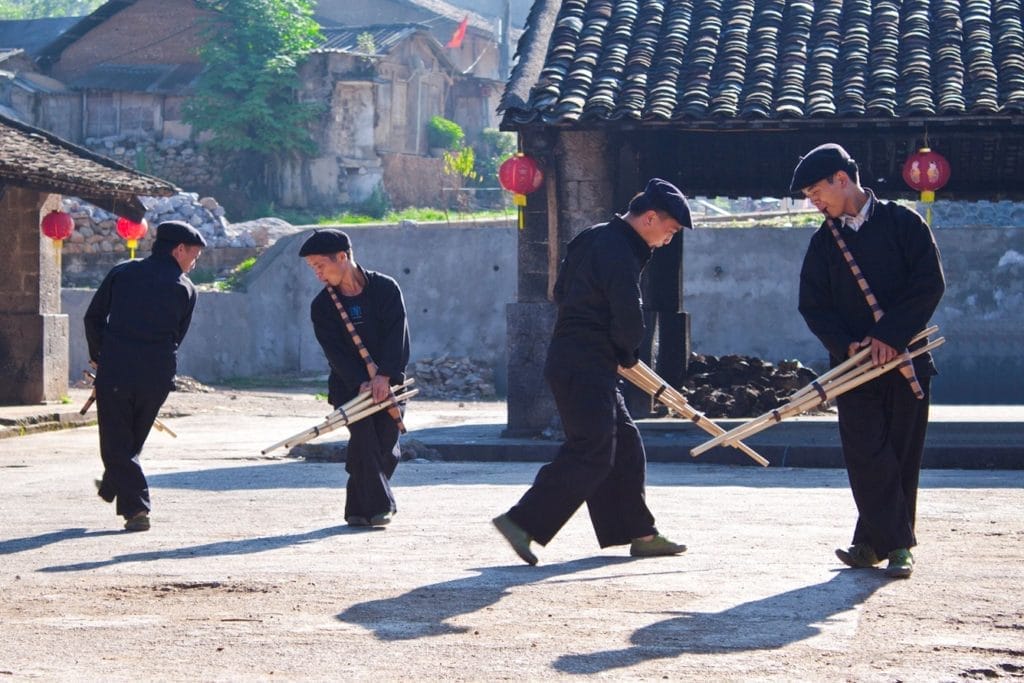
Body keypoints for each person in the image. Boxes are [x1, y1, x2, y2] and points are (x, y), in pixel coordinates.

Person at [493, 178, 692, 565]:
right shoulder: (620, 250)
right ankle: (523, 522)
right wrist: (627, 350)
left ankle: (640, 532)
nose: (667, 241)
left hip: (581, 359)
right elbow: (628, 313)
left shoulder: (595, 237)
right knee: (593, 450)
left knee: (625, 444)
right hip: (585, 363)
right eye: (669, 232)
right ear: (650, 218)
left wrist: (614, 350)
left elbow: (560, 292)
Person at [791, 143, 945, 578]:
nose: (813, 201)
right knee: (865, 454)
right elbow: (813, 306)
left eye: (815, 190)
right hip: (853, 368)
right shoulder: (824, 243)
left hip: (909, 360)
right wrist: (849, 345)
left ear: (842, 179)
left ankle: (875, 545)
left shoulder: (904, 223)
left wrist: (890, 336)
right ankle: (895, 545)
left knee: (900, 454)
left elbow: (929, 284)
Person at [84, 220, 206, 531]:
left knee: (116, 443)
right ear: (178, 249)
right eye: (194, 256)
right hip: (157, 375)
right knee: (131, 440)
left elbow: (93, 317)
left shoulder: (122, 272)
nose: (194, 263)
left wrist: (101, 357)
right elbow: (178, 336)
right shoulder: (186, 288)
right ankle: (112, 486)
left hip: (116, 372)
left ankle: (137, 509)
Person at [299, 229, 410, 528]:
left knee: (386, 445)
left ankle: (356, 510)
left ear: (342, 257)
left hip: (390, 382)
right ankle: (381, 507)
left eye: (320, 265)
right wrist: (361, 381)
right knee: (364, 442)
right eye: (313, 268)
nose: (318, 274)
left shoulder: (385, 288)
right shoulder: (322, 306)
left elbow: (397, 336)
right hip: (350, 387)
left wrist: (385, 375)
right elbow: (334, 353)